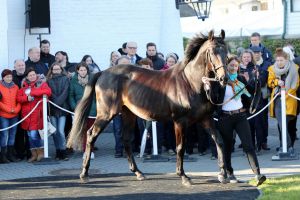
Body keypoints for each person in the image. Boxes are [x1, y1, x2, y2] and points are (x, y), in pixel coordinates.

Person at [204, 56, 266, 186]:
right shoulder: (220, 82)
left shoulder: (241, 79)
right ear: (226, 66)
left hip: (240, 116)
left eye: (236, 66)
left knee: (248, 145)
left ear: (238, 68)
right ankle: (229, 173)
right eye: (231, 65)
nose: (233, 67)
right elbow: (213, 98)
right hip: (225, 118)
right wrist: (207, 86)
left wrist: (256, 80)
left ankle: (258, 174)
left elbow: (251, 93)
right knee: (227, 147)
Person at [17, 68, 52, 162]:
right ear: (27, 77)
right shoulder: (23, 86)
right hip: (27, 115)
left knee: (34, 135)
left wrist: (33, 92)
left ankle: (40, 152)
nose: (32, 77)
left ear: (36, 75)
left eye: (33, 74)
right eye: (30, 75)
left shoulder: (42, 83)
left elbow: (48, 92)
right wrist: (26, 98)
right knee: (29, 135)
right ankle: (34, 154)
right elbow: (19, 98)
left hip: (38, 114)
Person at [268, 48, 299, 152]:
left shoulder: (294, 68)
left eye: (281, 60)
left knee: (288, 124)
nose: (279, 62)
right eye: (277, 60)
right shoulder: (272, 69)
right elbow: (270, 82)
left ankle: (288, 145)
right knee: (281, 124)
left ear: (286, 60)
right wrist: (277, 82)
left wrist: (285, 95)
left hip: (290, 99)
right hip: (277, 100)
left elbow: (295, 85)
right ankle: (286, 146)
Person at [68, 62, 96, 159]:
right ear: (77, 71)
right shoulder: (73, 81)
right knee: (84, 131)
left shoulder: (92, 80)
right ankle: (86, 150)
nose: (83, 72)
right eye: (81, 70)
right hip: (80, 110)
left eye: (84, 70)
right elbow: (71, 95)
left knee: (91, 131)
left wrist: (96, 106)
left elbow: (96, 95)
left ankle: (90, 150)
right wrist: (74, 107)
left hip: (92, 109)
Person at [46, 62, 70, 161]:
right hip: (52, 109)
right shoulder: (48, 81)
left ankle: (63, 151)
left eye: (58, 69)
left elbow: (65, 92)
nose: (56, 71)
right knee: (55, 132)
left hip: (62, 109)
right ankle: (58, 151)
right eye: (54, 69)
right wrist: (55, 102)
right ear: (51, 70)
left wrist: (58, 102)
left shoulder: (66, 79)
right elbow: (49, 93)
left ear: (61, 70)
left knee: (61, 131)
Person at [250, 45, 272, 152]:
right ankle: (253, 143)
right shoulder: (249, 65)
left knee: (263, 120)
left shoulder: (267, 64)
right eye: (254, 53)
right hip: (250, 97)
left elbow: (264, 81)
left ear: (261, 53)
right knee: (251, 121)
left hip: (262, 97)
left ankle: (264, 141)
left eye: (258, 52)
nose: (256, 54)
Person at [0, 69, 21, 163]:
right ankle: (3, 156)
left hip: (14, 115)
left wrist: (16, 110)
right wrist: (9, 110)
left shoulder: (16, 87)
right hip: (3, 115)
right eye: (7, 77)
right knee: (4, 135)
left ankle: (10, 154)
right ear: (3, 78)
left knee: (12, 135)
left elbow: (19, 100)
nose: (9, 78)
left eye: (10, 76)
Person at [12, 59, 30, 160]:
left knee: (28, 132)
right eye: (18, 65)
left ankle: (29, 153)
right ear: (14, 67)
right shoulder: (11, 77)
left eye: (22, 65)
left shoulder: (29, 76)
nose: (21, 67)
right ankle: (19, 153)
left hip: (28, 109)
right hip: (15, 109)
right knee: (18, 132)